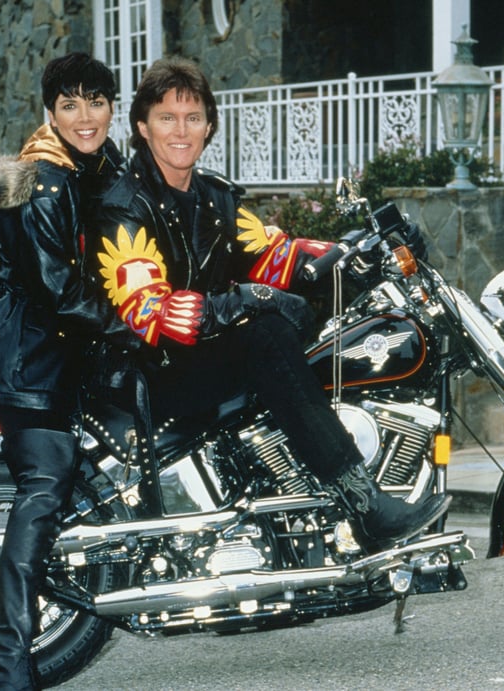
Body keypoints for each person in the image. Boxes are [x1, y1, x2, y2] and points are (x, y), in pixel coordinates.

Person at [94, 56, 449, 552]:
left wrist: (359, 250)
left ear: (209, 126)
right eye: (167, 118)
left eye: (193, 117)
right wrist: (243, 299)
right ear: (142, 126)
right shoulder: (124, 207)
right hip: (154, 370)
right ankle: (364, 505)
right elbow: (149, 309)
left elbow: (278, 257)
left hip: (199, 358)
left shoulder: (213, 198)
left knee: (309, 325)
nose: (181, 131)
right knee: (266, 333)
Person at [0, 52, 135, 690]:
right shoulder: (45, 176)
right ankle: (9, 665)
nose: (85, 116)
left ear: (113, 106)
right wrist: (139, 327)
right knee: (46, 482)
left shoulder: (98, 163)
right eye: (70, 104)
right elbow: (59, 289)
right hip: (26, 355)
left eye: (96, 101)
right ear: (51, 112)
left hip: (59, 344)